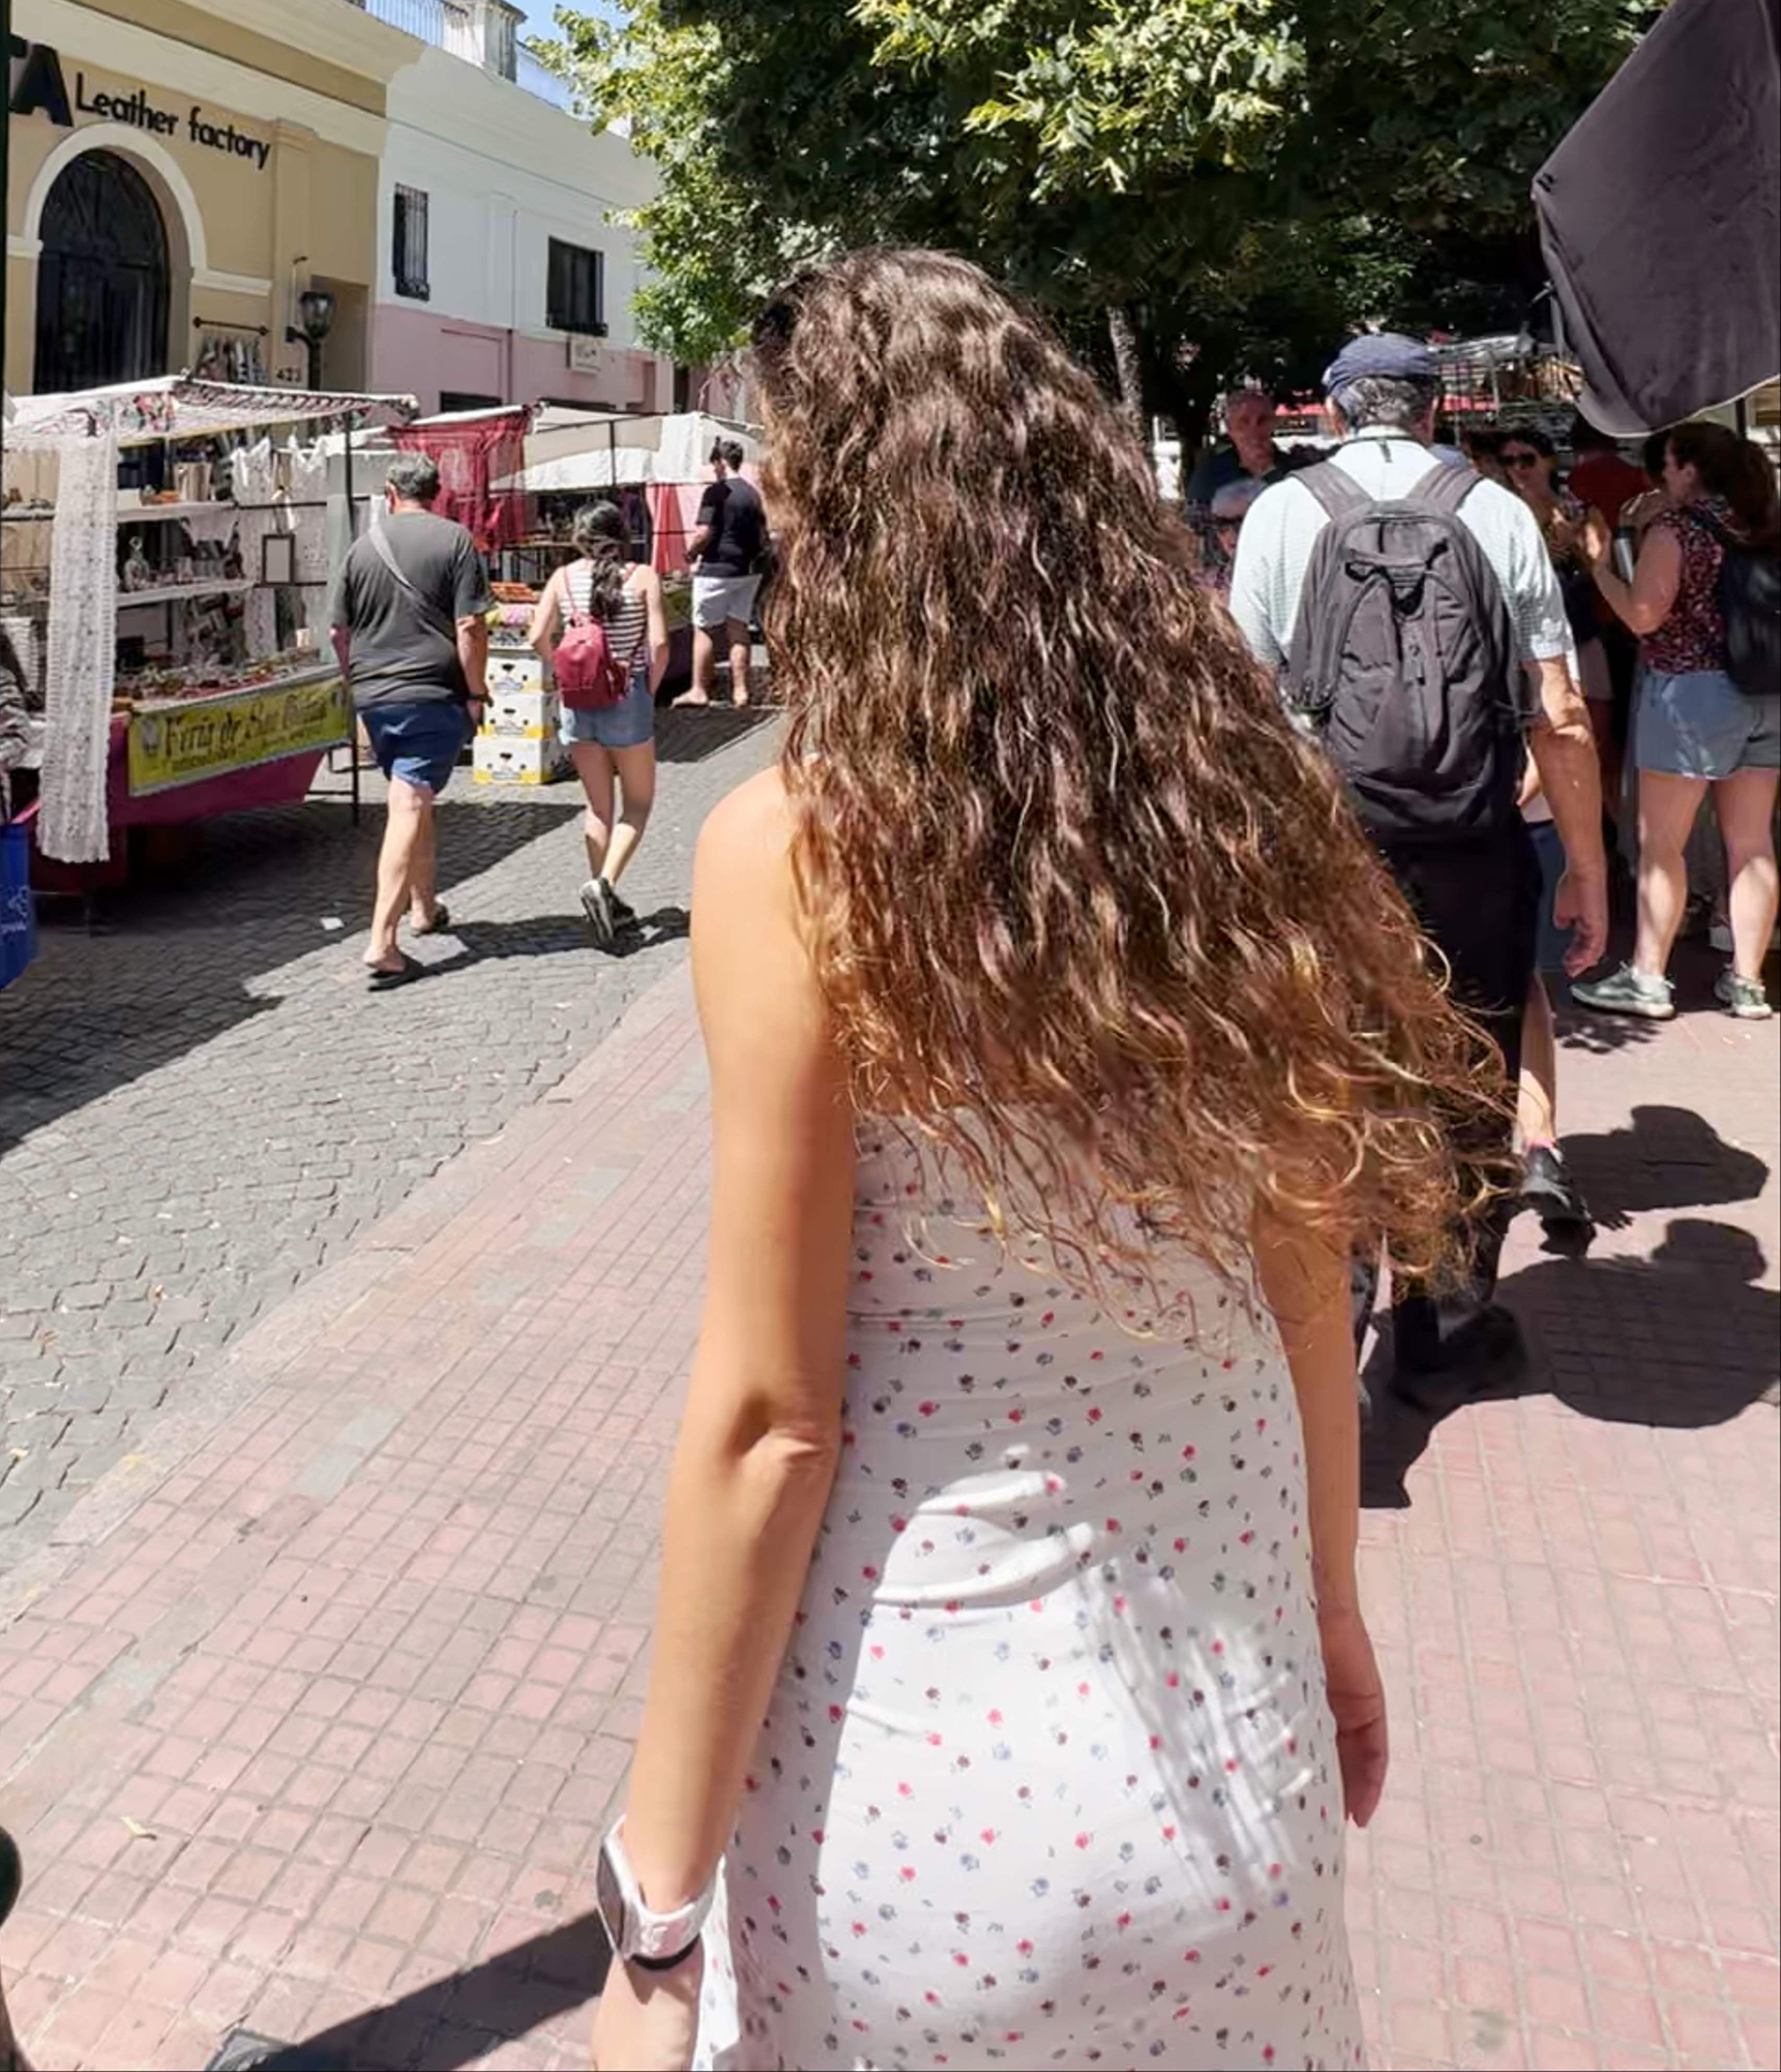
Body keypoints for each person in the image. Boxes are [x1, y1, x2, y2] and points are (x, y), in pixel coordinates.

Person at [588, 249, 1490, 2072]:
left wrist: (653, 1912)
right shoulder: (1240, 809)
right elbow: (1309, 1260)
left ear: (848, 527)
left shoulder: (800, 852)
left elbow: (773, 1416)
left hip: (923, 1810)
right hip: (1242, 1780)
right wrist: (1334, 1621)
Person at [1229, 335, 1608, 1397]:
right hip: (1477, 842)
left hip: (1328, 845)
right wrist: (1587, 864)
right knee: (1472, 1071)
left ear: (1343, 414)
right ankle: (1440, 1328)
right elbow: (1563, 712)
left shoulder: (1282, 511)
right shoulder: (1496, 512)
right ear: (1437, 411)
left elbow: (1246, 706)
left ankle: (1331, 1310)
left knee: (1331, 1065)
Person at [1573, 420, 1781, 1021]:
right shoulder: (1763, 523)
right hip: (1767, 693)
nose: (1660, 476)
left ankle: (1648, 978)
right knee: (1752, 844)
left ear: (1689, 467)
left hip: (1693, 697)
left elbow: (1643, 616)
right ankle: (1747, 984)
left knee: (1662, 843)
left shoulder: (1678, 529)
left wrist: (1598, 564)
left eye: (1665, 465)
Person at [1494, 424, 1616, 1234]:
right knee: (1524, 987)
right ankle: (1538, 1143)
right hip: (1520, 817)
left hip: (1430, 818)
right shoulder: (1527, 588)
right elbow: (1563, 715)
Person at [331, 454, 489, 989]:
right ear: (437, 492)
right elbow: (470, 625)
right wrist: (476, 690)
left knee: (413, 794)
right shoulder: (456, 541)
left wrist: (358, 685)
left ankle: (423, 907)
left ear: (390, 491)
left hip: (376, 696)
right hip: (430, 691)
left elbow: (339, 633)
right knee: (410, 800)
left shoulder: (360, 548)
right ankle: (383, 940)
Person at [532, 502, 670, 949]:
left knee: (598, 808)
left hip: (579, 701)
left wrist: (560, 671)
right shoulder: (643, 576)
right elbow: (660, 644)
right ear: (622, 532)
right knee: (639, 804)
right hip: (627, 697)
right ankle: (605, 884)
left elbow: (538, 637)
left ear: (579, 534)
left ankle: (602, 895)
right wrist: (646, 686)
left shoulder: (562, 578)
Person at [675, 440, 767, 713]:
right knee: (738, 627)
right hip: (747, 571)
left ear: (721, 462)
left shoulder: (717, 492)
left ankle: (699, 690)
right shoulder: (753, 494)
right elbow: (762, 534)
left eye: (714, 464)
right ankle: (741, 691)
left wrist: (690, 554)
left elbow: (705, 533)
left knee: (704, 628)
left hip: (716, 569)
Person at [1188, 377, 1301, 509]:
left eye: (1263, 420)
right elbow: (1194, 525)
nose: (1254, 430)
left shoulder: (1297, 472)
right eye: (1243, 422)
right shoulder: (1208, 476)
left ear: (1274, 424)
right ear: (1230, 429)